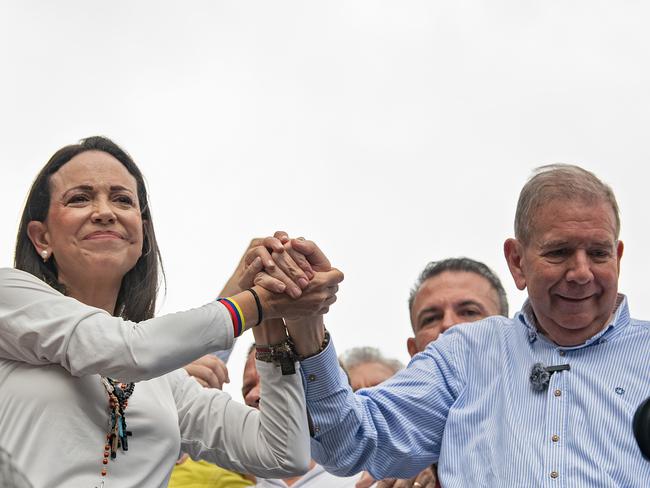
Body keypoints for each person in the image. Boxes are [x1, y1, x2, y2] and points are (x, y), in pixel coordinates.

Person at [265, 165, 650, 485]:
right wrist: (306, 322)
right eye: (559, 252)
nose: (581, 272)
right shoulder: (464, 355)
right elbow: (348, 442)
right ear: (517, 261)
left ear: (617, 255)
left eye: (598, 252)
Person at [0, 136, 343, 488]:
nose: (105, 212)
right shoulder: (8, 299)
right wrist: (255, 303)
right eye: (80, 198)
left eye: (122, 200)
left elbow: (283, 453)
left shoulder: (166, 383)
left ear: (142, 236)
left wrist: (272, 306)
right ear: (41, 238)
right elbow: (123, 349)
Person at [358, 258, 508, 488]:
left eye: (469, 312)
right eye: (431, 318)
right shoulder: (385, 462)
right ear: (414, 350)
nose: (449, 325)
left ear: (507, 335)